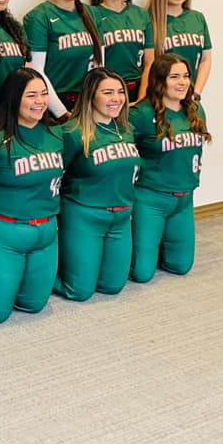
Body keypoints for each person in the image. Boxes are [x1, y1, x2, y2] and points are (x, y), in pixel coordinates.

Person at [0, 67, 64, 323]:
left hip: (45, 231)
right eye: (31, 95)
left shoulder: (57, 133)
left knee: (33, 304)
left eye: (43, 94)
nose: (40, 101)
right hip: (0, 230)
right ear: (14, 97)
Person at [55, 68, 140, 301]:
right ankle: (37, 274)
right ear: (91, 96)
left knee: (112, 286)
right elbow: (54, 176)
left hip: (121, 218)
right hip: (85, 216)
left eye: (120, 92)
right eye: (108, 92)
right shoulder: (72, 133)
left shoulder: (126, 129)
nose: (117, 98)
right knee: (80, 291)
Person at [130, 54, 211, 282]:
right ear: (159, 80)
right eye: (174, 77)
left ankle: (154, 245)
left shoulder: (195, 109)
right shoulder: (142, 114)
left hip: (184, 199)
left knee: (181, 266)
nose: (182, 82)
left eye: (186, 76)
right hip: (150, 198)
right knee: (142, 273)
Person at [23, 0, 103, 120]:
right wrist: (61, 112)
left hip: (88, 103)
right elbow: (36, 70)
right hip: (53, 106)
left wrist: (96, 103)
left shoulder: (92, 14)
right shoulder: (39, 17)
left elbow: (99, 65)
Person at [89, 0, 154, 103]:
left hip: (137, 89)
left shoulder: (142, 15)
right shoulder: (91, 15)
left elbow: (149, 62)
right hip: (106, 93)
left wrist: (142, 98)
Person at [147, 0, 212, 100]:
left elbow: (205, 60)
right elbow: (147, 64)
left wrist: (196, 93)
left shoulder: (197, 18)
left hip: (189, 98)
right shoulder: (149, 20)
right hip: (161, 99)